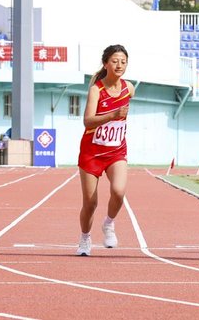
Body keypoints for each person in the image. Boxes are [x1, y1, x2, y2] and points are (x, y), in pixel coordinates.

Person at [76, 44, 135, 256]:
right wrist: (112, 115)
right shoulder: (96, 90)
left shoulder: (129, 88)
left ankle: (109, 223)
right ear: (105, 63)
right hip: (92, 152)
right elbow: (87, 121)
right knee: (90, 203)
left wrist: (118, 118)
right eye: (115, 61)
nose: (119, 65)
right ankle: (85, 238)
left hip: (116, 151)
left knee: (119, 192)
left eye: (123, 61)